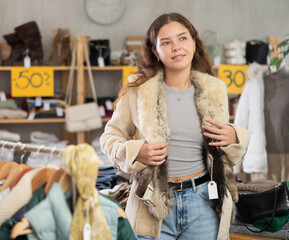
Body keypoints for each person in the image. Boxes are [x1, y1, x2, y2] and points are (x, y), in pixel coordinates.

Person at [100, 12, 250, 240]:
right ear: (155, 52)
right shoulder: (137, 90)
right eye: (166, 42)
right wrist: (135, 151)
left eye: (182, 38)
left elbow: (225, 152)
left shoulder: (215, 89)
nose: (176, 47)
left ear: (194, 42)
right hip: (152, 203)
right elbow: (109, 138)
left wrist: (235, 136)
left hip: (203, 203)